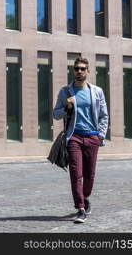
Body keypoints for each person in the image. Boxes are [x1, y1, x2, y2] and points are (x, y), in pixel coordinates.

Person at [53, 57, 108, 223]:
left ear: (88, 71)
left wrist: (100, 135)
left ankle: (85, 197)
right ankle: (81, 208)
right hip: (74, 137)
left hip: (92, 137)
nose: (79, 71)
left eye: (83, 68)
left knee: (89, 175)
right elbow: (55, 114)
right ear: (73, 70)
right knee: (76, 174)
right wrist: (66, 107)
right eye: (76, 68)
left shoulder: (97, 91)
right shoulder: (65, 92)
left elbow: (104, 116)